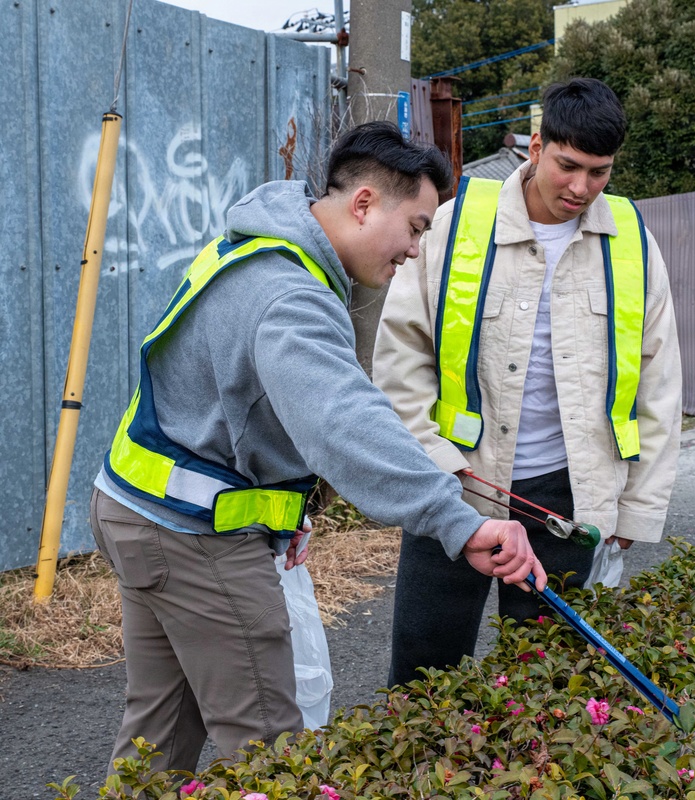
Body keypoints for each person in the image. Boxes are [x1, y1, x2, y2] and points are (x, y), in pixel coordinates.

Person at [89, 121, 546, 775]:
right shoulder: (291, 295)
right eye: (416, 227)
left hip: (142, 509)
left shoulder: (259, 249)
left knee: (156, 741)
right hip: (193, 535)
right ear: (364, 203)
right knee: (273, 751)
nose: (417, 250)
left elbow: (243, 412)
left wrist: (288, 507)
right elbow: (342, 421)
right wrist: (459, 521)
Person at [372, 78, 683, 687]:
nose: (581, 188)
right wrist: (440, 466)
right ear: (536, 146)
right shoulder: (456, 223)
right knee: (424, 677)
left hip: (569, 501)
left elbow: (659, 381)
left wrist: (635, 510)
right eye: (568, 165)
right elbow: (400, 361)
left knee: (546, 688)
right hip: (457, 484)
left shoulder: (631, 241)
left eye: (599, 172)